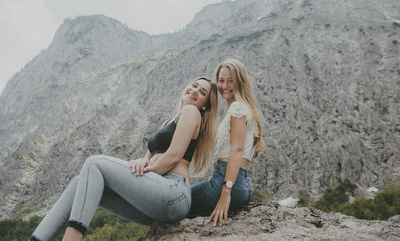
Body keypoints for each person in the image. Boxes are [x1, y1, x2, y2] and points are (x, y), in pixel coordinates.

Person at [29, 77, 218, 241]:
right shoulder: (169, 122)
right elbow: (148, 158)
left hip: (173, 191)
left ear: (205, 105)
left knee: (93, 163)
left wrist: (146, 170)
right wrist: (141, 162)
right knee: (82, 183)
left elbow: (174, 156)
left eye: (201, 92)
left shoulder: (192, 112)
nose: (194, 91)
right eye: (193, 86)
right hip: (158, 197)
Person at [191, 59, 264, 226]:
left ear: (240, 81)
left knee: (179, 198)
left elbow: (237, 150)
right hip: (244, 186)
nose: (224, 86)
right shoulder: (246, 108)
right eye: (221, 80)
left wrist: (226, 192)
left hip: (227, 181)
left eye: (231, 81)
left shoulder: (237, 108)